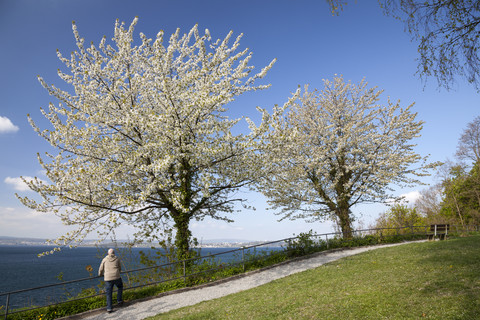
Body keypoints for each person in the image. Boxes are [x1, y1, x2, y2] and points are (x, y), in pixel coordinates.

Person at [98, 248, 124, 313]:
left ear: (108, 253)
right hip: (116, 276)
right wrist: (119, 271)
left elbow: (101, 269)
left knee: (109, 293)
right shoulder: (117, 259)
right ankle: (119, 300)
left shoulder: (104, 260)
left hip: (108, 278)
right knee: (120, 287)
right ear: (114, 253)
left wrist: (100, 274)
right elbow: (119, 267)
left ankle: (109, 308)